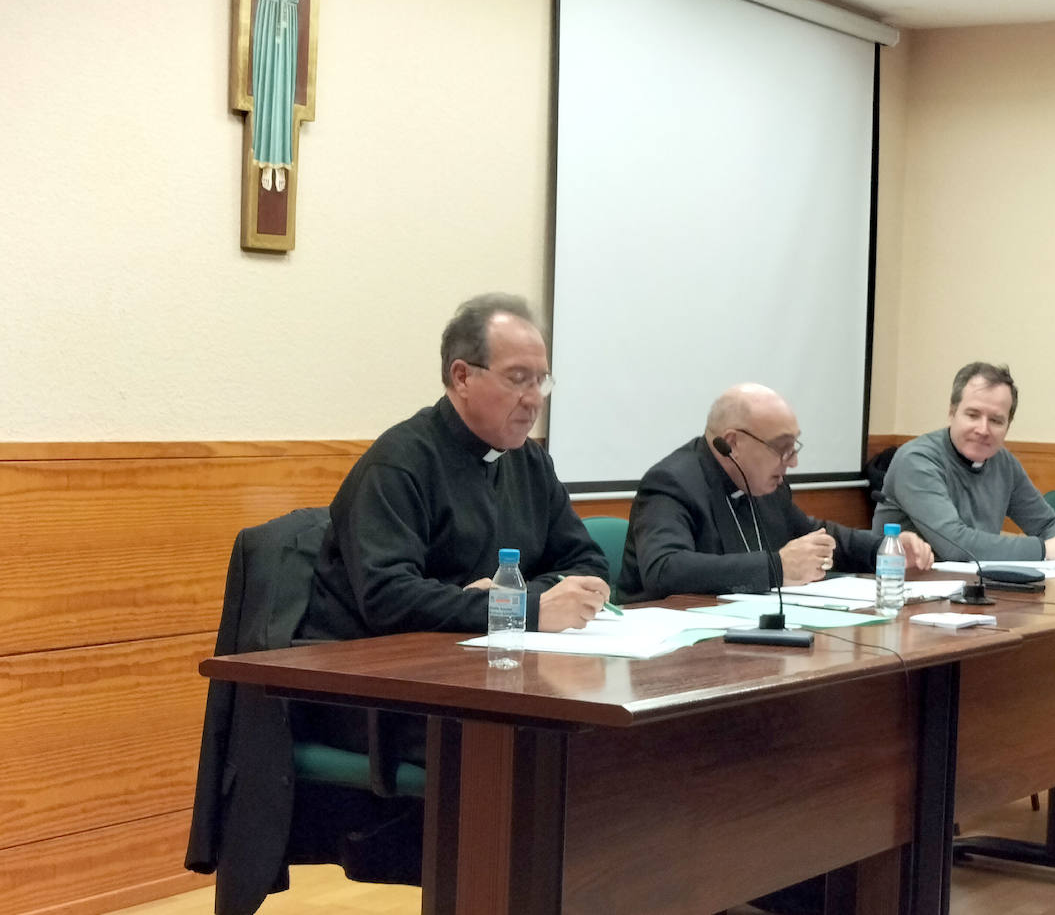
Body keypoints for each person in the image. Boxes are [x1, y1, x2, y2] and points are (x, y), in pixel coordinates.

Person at [295, 293, 610, 757]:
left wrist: (513, 598)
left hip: (486, 678)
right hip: (386, 694)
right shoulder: (399, 462)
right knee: (538, 749)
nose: (533, 400)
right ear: (462, 376)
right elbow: (389, 598)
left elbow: (588, 563)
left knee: (599, 730)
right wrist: (523, 607)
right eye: (518, 379)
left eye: (541, 381)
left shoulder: (530, 461)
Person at [619, 383, 933, 604]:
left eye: (793, 447)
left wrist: (884, 549)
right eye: (782, 448)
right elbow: (665, 570)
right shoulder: (671, 483)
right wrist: (778, 568)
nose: (793, 462)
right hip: (673, 655)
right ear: (733, 443)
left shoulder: (767, 484)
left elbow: (814, 536)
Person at [873, 361, 1055, 564]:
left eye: (996, 420)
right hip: (906, 594)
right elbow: (955, 544)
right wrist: (1046, 550)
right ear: (952, 412)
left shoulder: (1002, 461)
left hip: (977, 592)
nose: (983, 430)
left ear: (1008, 426)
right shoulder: (916, 460)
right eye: (973, 415)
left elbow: (1046, 523)